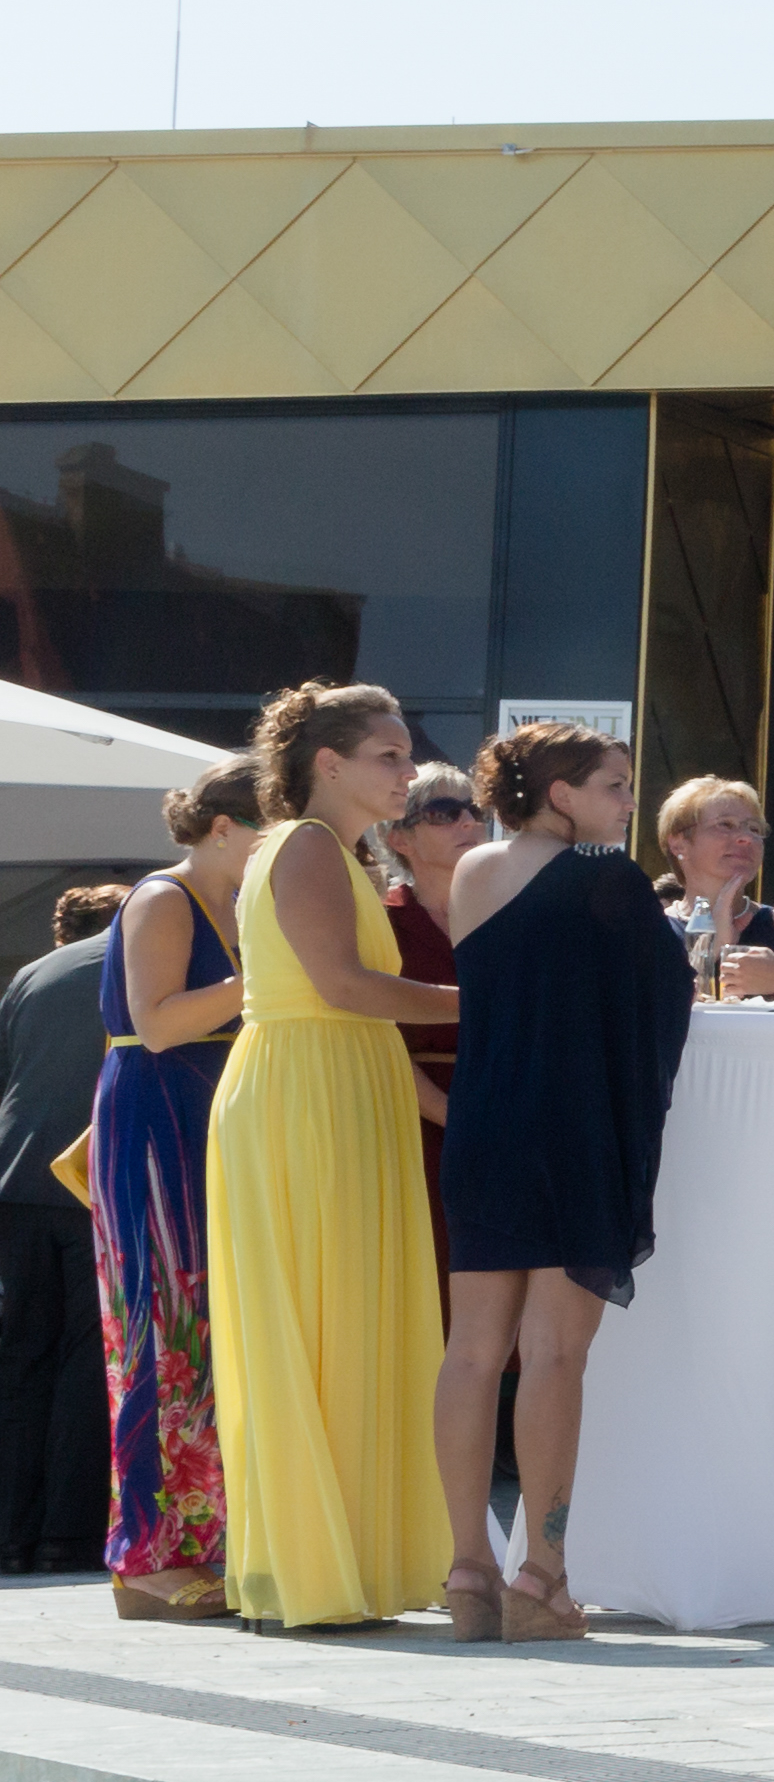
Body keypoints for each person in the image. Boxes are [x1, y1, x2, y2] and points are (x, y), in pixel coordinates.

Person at [430, 722, 694, 1640]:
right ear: (560, 793)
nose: (627, 802)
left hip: (486, 1123)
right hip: (570, 1128)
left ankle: (468, 1570)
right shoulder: (609, 881)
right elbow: (663, 999)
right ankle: (540, 1576)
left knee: (470, 1351)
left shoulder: (470, 871)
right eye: (615, 785)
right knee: (552, 1353)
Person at [207, 684, 459, 1633]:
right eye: (390, 757)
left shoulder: (339, 851)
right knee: (320, 1318)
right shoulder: (307, 845)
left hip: (343, 1084)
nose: (407, 771)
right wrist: (486, 998)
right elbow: (343, 985)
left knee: (354, 1315)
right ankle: (314, 1564)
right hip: (307, 1089)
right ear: (330, 764)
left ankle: (349, 1554)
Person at [84, 764, 256, 1619]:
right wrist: (265, 971)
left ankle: (203, 1538)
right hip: (155, 1118)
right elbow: (154, 1022)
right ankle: (145, 1557)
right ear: (224, 826)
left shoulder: (232, 904)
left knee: (207, 1330)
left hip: (206, 1114)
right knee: (159, 1328)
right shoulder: (165, 898)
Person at [0, 884, 131, 1573]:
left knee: (23, 1357)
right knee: (88, 1357)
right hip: (88, 1176)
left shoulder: (31, 972)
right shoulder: (139, 953)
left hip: (18, 1178)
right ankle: (67, 1532)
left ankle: (14, 1530)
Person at [378, 765, 477, 1277]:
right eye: (445, 812)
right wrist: (461, 1119)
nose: (468, 823)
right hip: (410, 1124)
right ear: (399, 836)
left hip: (507, 1117)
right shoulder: (380, 921)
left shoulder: (508, 915)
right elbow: (380, 1039)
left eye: (473, 810)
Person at [649, 776, 774, 1001]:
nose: (746, 838)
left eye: (754, 828)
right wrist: (711, 948)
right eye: (725, 825)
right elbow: (649, 1010)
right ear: (678, 843)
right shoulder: (651, 928)